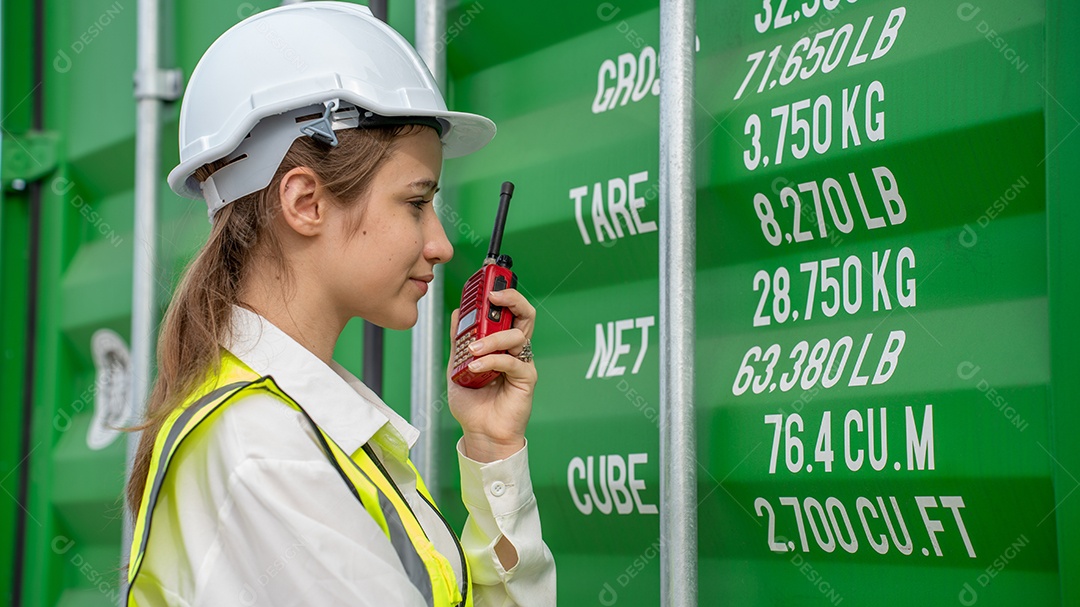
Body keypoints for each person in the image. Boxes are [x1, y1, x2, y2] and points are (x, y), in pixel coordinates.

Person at [123, 3, 555, 605]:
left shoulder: (307, 424)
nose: (442, 243)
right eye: (415, 202)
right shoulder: (266, 452)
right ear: (306, 202)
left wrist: (490, 447)